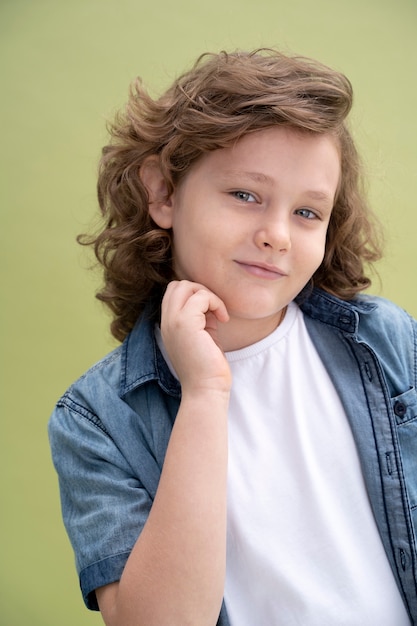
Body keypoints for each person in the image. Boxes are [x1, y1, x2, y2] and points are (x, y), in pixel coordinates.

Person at [48, 48, 417, 626]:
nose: (276, 235)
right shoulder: (96, 418)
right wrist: (203, 394)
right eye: (245, 195)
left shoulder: (389, 342)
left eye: (307, 213)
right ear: (164, 194)